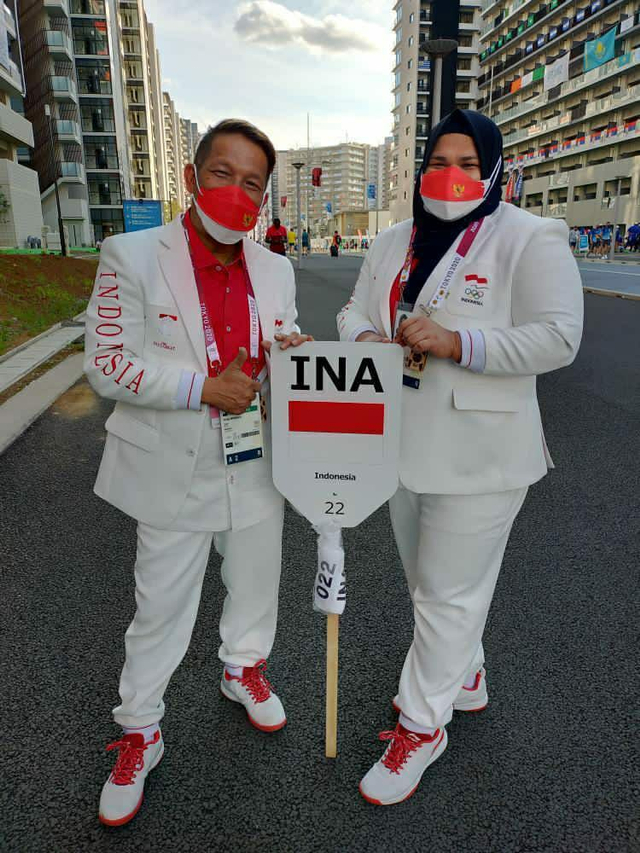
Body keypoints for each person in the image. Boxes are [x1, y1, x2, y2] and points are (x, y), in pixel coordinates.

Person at [338, 108, 583, 807]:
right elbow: (353, 313)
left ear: (494, 169)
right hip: (401, 444)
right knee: (430, 584)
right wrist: (370, 344)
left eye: (468, 163)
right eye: (439, 160)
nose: (451, 174)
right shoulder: (392, 241)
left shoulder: (529, 237)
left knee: (447, 591)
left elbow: (558, 337)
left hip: (484, 453)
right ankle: (466, 672)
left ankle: (421, 723)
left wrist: (457, 343)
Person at [84, 118, 312, 827]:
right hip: (173, 458)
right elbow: (108, 363)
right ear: (191, 176)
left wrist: (290, 357)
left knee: (255, 578)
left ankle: (243, 666)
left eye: (253, 183)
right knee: (161, 605)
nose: (236, 192)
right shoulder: (131, 254)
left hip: (253, 454)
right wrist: (200, 388)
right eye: (223, 173)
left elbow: (277, 351)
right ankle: (139, 728)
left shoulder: (275, 267)